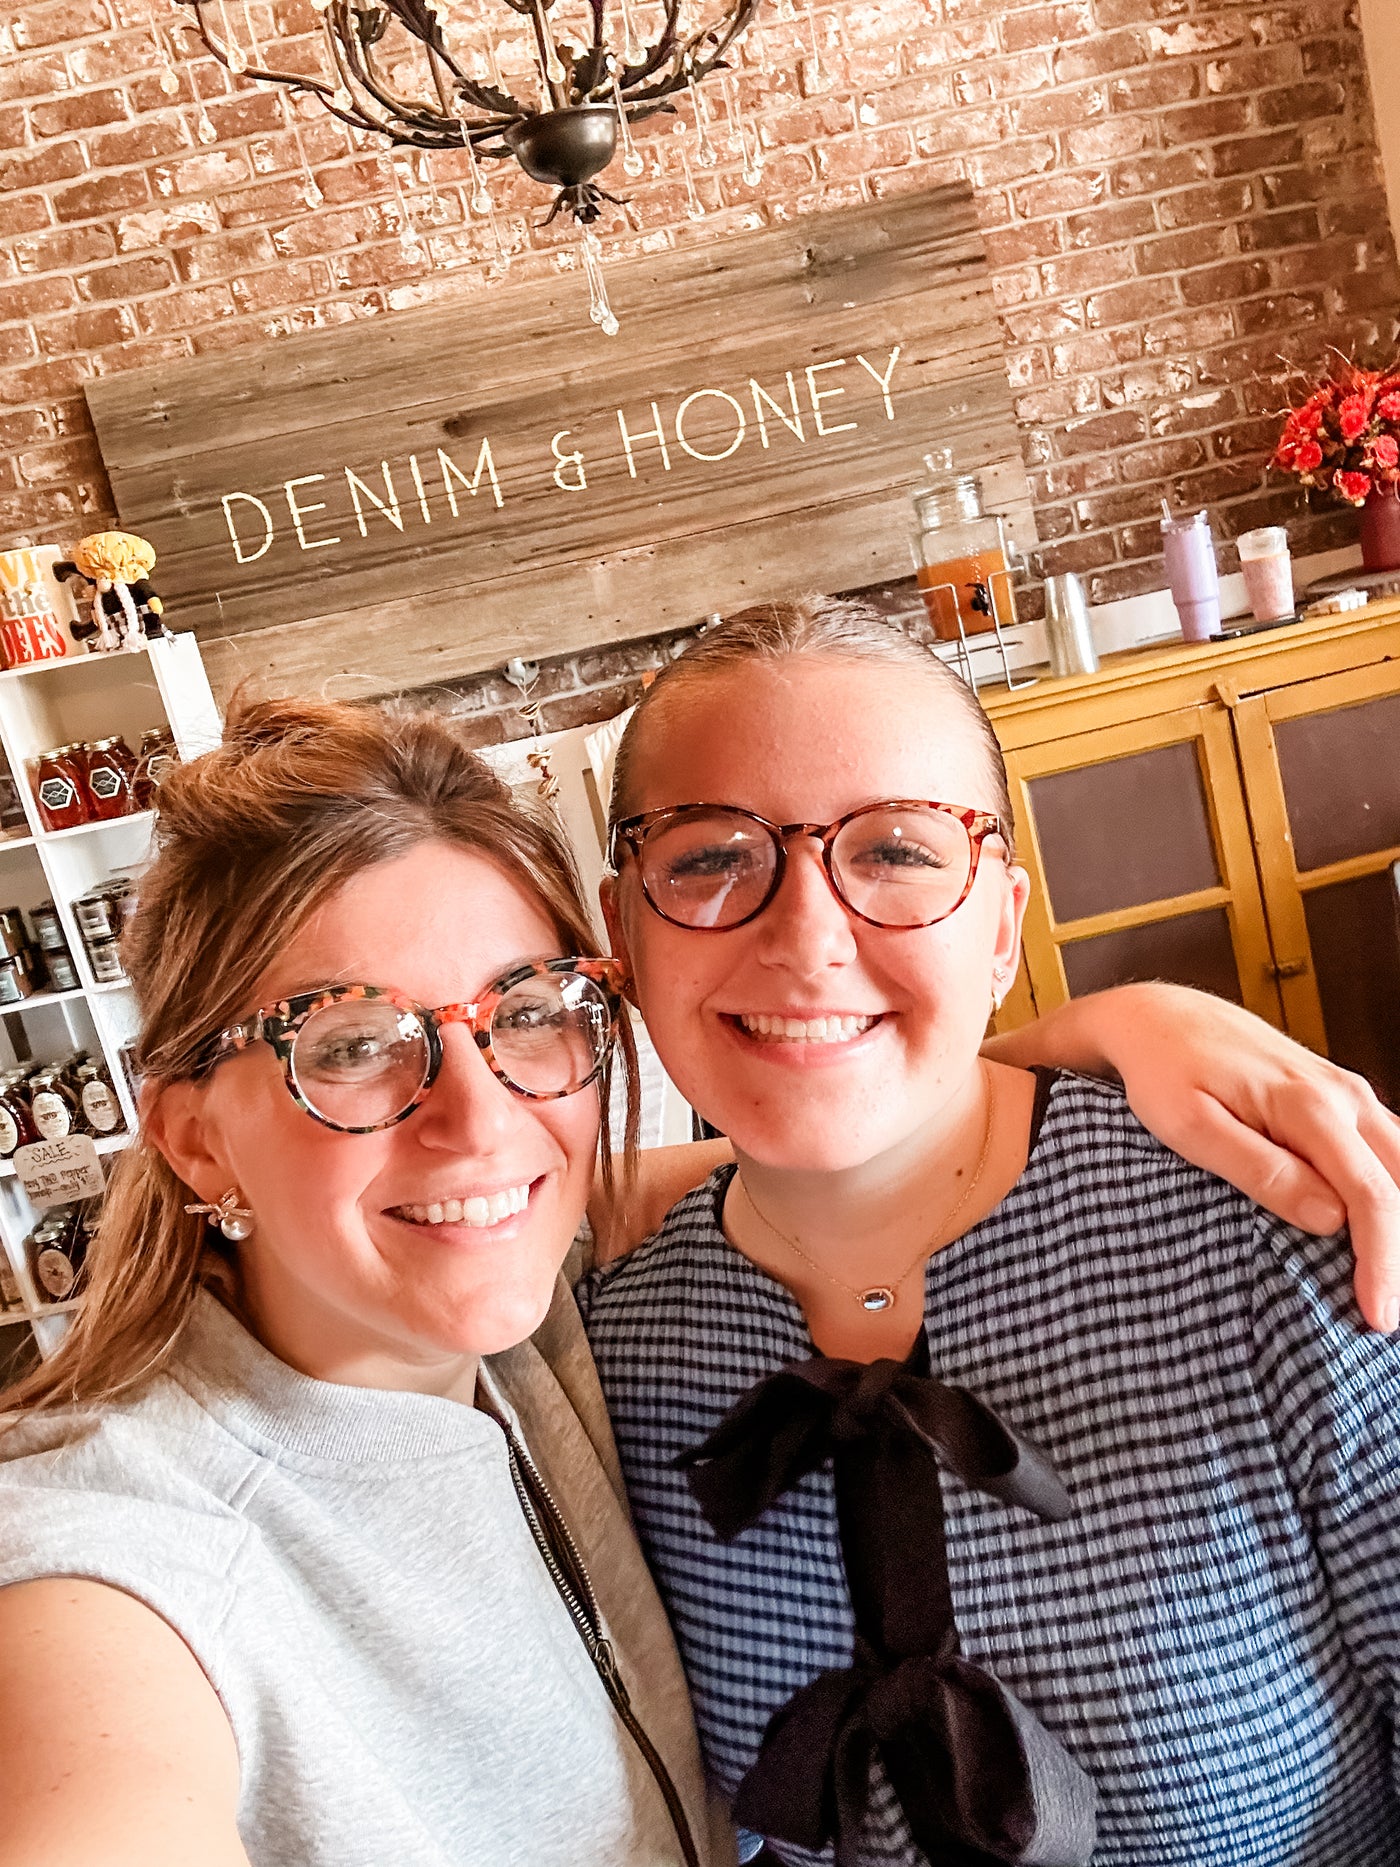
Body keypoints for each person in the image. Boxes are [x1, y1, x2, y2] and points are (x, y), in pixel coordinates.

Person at [0, 682, 1395, 1867]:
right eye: (349, 1043)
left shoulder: (547, 1314)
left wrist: (1120, 1024)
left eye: (530, 1014)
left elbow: (826, 1128)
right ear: (190, 1134)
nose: (478, 1121)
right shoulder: (130, 1557)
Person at [581, 598, 1400, 1867]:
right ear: (623, 930)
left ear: (1004, 923)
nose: (803, 935)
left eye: (897, 852)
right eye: (708, 856)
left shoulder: (1270, 1233)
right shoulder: (614, 1350)